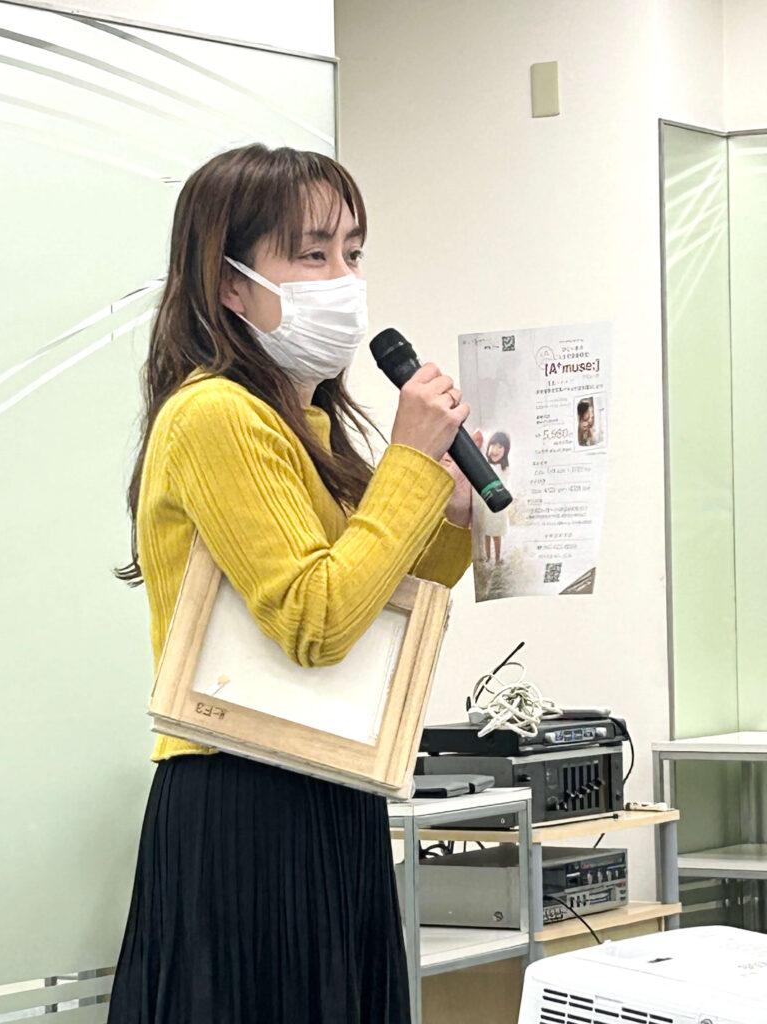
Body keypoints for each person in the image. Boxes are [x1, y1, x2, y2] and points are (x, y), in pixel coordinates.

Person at [107, 143, 473, 1024]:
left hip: (330, 787)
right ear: (228, 285)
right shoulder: (215, 414)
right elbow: (316, 620)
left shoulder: (306, 424)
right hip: (246, 801)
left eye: (353, 252)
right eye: (312, 254)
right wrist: (408, 465)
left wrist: (451, 509)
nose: (344, 279)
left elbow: (379, 599)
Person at [474, 430, 512, 564]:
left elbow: (506, 485)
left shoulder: (505, 469)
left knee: (497, 533)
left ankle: (497, 558)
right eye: (493, 445)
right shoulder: (486, 466)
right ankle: (488, 556)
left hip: (499, 505)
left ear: (505, 451)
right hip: (487, 505)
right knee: (487, 532)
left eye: (500, 447)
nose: (495, 450)